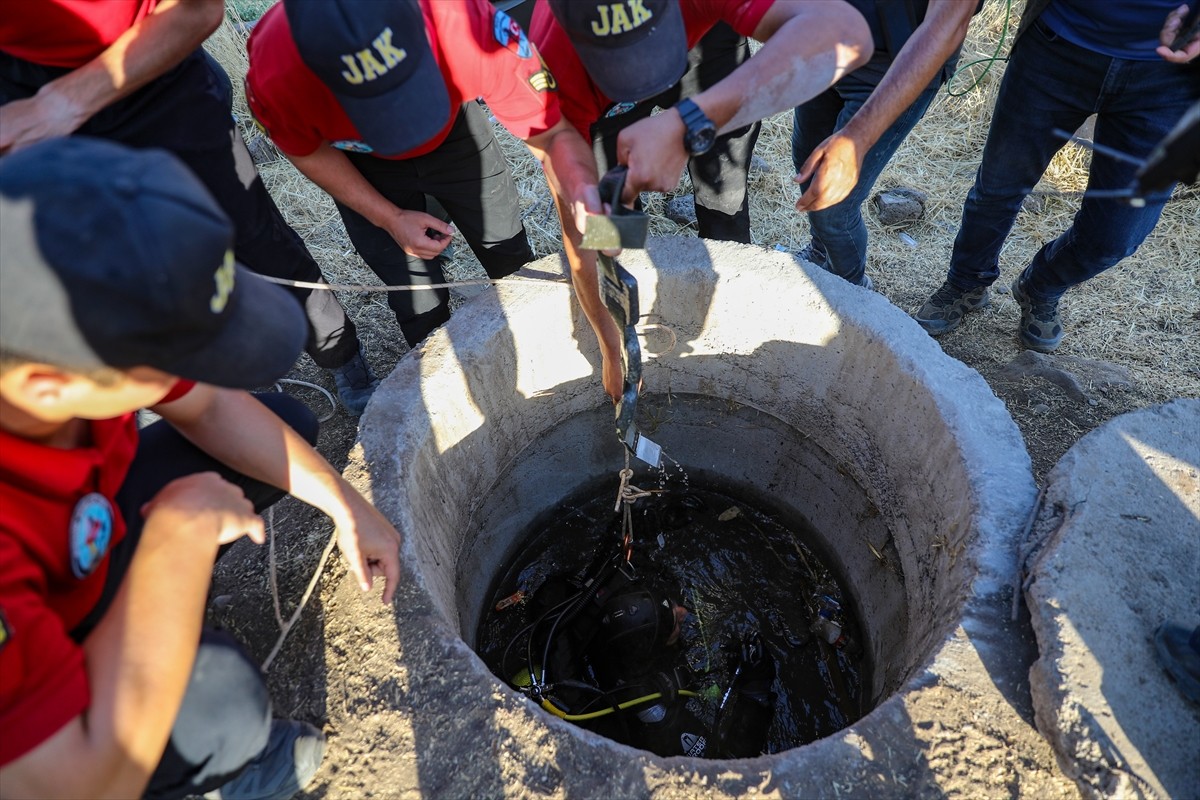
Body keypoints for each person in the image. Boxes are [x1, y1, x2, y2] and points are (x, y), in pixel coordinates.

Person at [0, 137, 403, 800]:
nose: (202, 373)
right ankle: (206, 778)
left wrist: (345, 505)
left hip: (81, 528)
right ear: (51, 386)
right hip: (34, 663)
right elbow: (71, 787)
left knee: (288, 433)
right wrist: (174, 544)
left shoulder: (55, 326)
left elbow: (210, 406)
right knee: (223, 701)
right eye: (178, 353)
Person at [0, 0, 381, 416]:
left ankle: (339, 354)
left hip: (158, 75)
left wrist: (62, 103)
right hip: (26, 95)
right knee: (128, 267)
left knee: (255, 236)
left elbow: (196, 11)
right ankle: (219, 391)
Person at [529, 0, 872, 397]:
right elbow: (578, 228)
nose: (645, 78)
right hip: (599, 92)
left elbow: (847, 34)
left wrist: (690, 121)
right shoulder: (549, 59)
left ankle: (729, 314)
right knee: (610, 222)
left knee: (723, 202)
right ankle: (628, 287)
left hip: (706, 48)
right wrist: (610, 344)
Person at [244, 0, 602, 367]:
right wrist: (389, 218)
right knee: (417, 297)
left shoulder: (465, 25)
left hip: (456, 139)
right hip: (363, 165)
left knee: (506, 247)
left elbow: (551, 135)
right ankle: (442, 375)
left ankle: (544, 344)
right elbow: (307, 152)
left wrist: (589, 204)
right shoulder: (277, 73)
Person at [913, 0, 1200, 351]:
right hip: (1057, 45)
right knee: (998, 187)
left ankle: (1041, 284)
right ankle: (966, 283)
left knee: (1117, 235)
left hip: (1173, 81)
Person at [791, 0, 980, 289]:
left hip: (893, 69)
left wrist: (856, 137)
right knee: (807, 166)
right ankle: (821, 252)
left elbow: (946, 24)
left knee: (834, 209)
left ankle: (849, 295)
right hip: (827, 42)